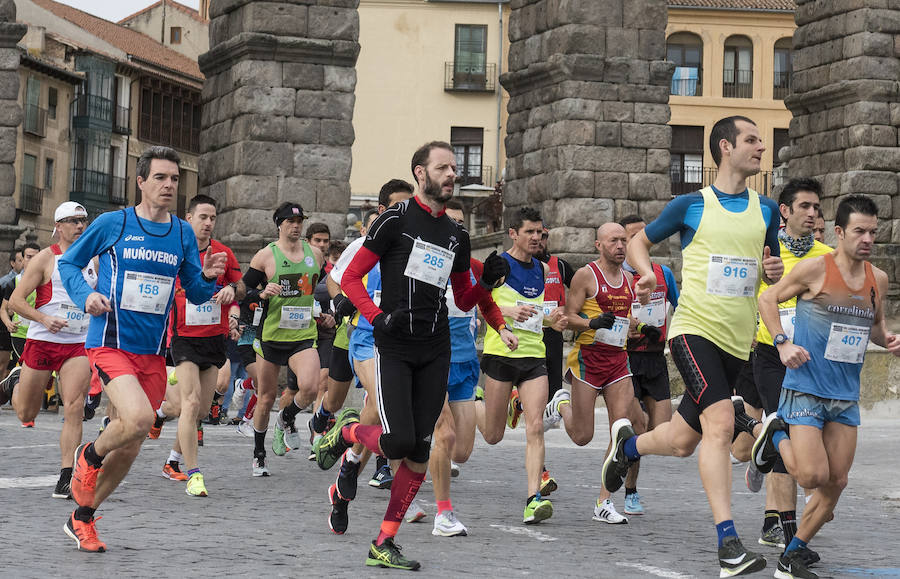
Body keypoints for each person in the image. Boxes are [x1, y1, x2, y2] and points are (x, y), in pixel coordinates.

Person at [315, 141, 515, 570]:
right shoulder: (394, 220)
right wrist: (376, 316)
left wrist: (490, 285)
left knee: (421, 452)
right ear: (420, 174)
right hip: (394, 344)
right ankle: (348, 432)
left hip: (436, 344)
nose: (451, 174)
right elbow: (349, 278)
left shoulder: (457, 234)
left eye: (454, 167)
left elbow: (463, 295)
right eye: (442, 167)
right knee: (399, 441)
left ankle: (383, 542)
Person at [603, 116, 783, 576]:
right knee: (721, 425)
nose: (762, 147)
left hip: (737, 342)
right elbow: (641, 241)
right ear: (725, 146)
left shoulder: (766, 210)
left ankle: (628, 448)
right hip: (693, 332)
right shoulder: (691, 204)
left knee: (684, 441)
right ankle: (728, 546)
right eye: (752, 140)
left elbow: (766, 268)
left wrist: (774, 273)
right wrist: (644, 273)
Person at [58, 146, 226, 552]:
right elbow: (68, 264)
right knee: (136, 418)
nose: (169, 185)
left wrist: (212, 280)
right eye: (160, 178)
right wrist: (86, 298)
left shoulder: (183, 233)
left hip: (153, 350)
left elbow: (195, 289)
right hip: (111, 340)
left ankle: (82, 517)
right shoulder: (114, 223)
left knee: (133, 444)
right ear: (141, 182)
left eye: (174, 179)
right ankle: (89, 455)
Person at [747, 194, 899, 579]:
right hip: (806, 387)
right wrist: (783, 342)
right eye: (859, 231)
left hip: (845, 394)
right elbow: (768, 298)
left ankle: (792, 555)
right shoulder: (815, 269)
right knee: (812, 477)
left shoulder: (877, 280)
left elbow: (876, 330)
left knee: (837, 482)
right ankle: (774, 433)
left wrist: (891, 341)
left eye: (873, 233)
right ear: (838, 232)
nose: (867, 239)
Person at [324, 181, 415, 536]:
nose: (405, 215)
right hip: (366, 337)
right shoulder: (365, 244)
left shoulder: (417, 248)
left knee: (400, 426)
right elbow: (335, 281)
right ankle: (348, 440)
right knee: (382, 403)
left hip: (407, 342)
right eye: (397, 208)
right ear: (381, 211)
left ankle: (344, 481)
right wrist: (343, 303)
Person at [747, 178, 832, 555]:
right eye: (804, 207)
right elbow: (746, 294)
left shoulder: (827, 255)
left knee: (775, 442)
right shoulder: (765, 251)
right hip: (769, 354)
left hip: (810, 361)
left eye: (817, 207)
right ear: (785, 211)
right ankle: (788, 531)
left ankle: (751, 429)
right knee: (790, 439)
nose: (812, 214)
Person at [542, 222, 648, 524]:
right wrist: (591, 324)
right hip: (588, 360)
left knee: (622, 431)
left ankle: (604, 501)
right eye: (613, 240)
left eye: (624, 241)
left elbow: (627, 321)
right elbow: (567, 315)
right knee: (582, 436)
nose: (620, 246)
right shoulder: (586, 276)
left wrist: (643, 329)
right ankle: (561, 404)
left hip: (618, 362)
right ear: (598, 244)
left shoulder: (630, 279)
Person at [151, 195, 242, 496]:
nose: (208, 223)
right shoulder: (176, 252)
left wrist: (230, 289)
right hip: (184, 338)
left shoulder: (224, 254)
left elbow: (242, 285)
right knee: (190, 404)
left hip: (214, 340)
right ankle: (194, 474)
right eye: (202, 217)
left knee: (201, 409)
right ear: (188, 218)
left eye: (213, 218)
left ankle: (172, 461)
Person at [7, 202, 96, 499]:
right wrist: (44, 318)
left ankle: (66, 476)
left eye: (82, 221)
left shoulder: (94, 258)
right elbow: (16, 302)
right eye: (72, 221)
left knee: (74, 406)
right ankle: (16, 382)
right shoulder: (46, 259)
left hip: (78, 343)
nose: (79, 226)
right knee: (26, 412)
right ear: (58, 226)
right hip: (44, 340)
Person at [407, 199, 482, 537]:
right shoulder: (422, 261)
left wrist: (502, 322)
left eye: (462, 224)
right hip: (433, 358)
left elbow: (482, 301)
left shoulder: (471, 265)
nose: (457, 229)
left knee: (461, 451)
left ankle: (385, 450)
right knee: (444, 435)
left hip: (465, 364)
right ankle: (443, 514)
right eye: (452, 222)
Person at [241, 202, 324, 475]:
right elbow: (245, 292)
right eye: (290, 221)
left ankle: (286, 418)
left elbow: (315, 287)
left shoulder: (316, 254)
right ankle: (258, 453)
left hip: (303, 334)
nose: (296, 226)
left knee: (310, 388)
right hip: (272, 335)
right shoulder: (265, 256)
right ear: (279, 224)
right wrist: (263, 294)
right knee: (265, 397)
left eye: (300, 222)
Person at [620, 214, 679, 515]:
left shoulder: (663, 273)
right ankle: (630, 490)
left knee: (663, 431)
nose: (638, 241)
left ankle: (623, 454)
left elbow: (680, 309)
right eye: (631, 236)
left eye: (643, 234)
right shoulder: (616, 275)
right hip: (626, 360)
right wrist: (625, 328)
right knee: (638, 426)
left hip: (656, 358)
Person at [530, 224, 574, 495]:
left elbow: (582, 294)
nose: (540, 240)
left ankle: (541, 472)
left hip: (552, 339)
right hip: (525, 340)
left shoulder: (561, 266)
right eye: (535, 234)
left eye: (544, 235)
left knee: (546, 406)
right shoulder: (518, 265)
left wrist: (568, 311)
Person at [2, 242, 41, 366]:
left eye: (36, 257)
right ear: (22, 260)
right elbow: (3, 309)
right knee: (26, 367)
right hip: (20, 333)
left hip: (41, 333)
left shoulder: (48, 281)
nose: (33, 260)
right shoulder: (14, 282)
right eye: (29, 257)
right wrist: (8, 323)